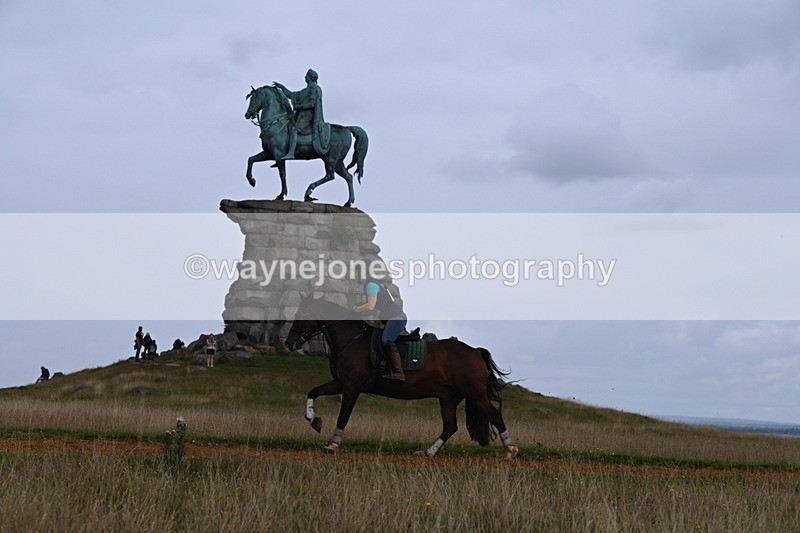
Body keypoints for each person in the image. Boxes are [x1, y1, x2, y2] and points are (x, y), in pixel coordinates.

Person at [353, 274, 407, 382]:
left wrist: (356, 310)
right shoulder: (373, 284)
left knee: (386, 340)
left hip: (396, 317)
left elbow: (370, 306)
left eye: (356, 271)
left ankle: (399, 372)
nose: (355, 275)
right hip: (394, 317)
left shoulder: (371, 285)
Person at [272, 69, 330, 159]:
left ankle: (291, 153)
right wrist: (282, 87)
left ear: (311, 77)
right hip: (301, 117)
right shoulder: (305, 90)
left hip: (308, 118)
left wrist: (299, 107)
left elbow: (312, 104)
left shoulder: (315, 88)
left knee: (294, 129)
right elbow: (291, 95)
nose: (305, 77)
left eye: (306, 76)